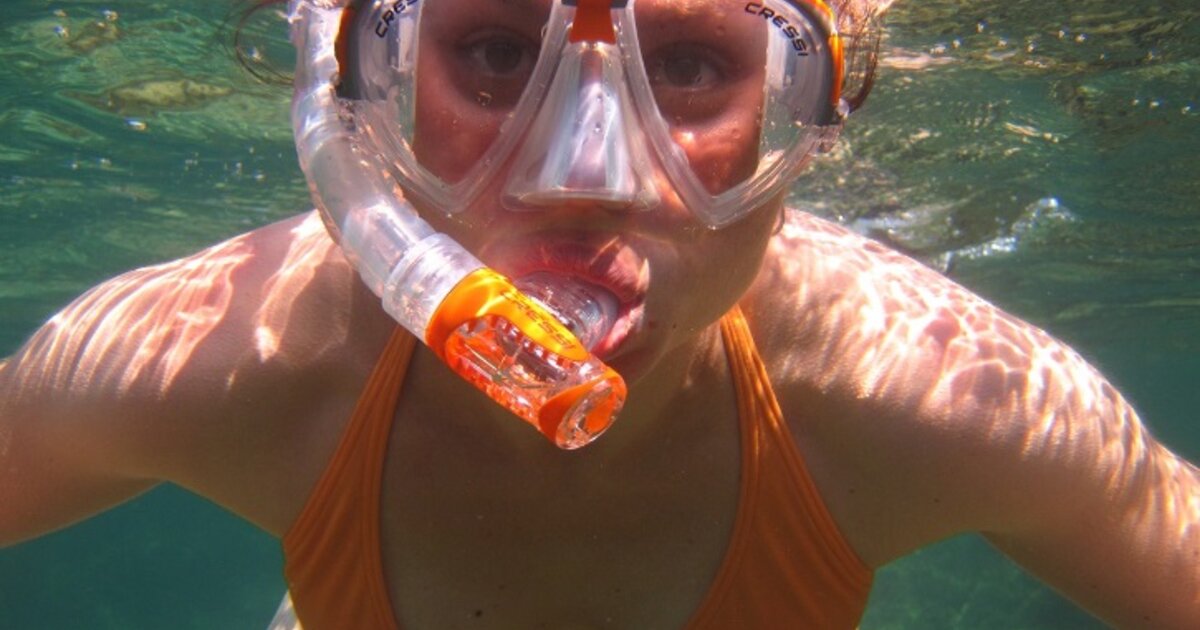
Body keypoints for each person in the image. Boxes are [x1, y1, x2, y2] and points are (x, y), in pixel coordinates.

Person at [1, 0, 1197, 628]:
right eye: (494, 50)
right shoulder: (225, 357)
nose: (586, 174)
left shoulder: (936, 397)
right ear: (359, 100)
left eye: (688, 67)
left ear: (800, 115)